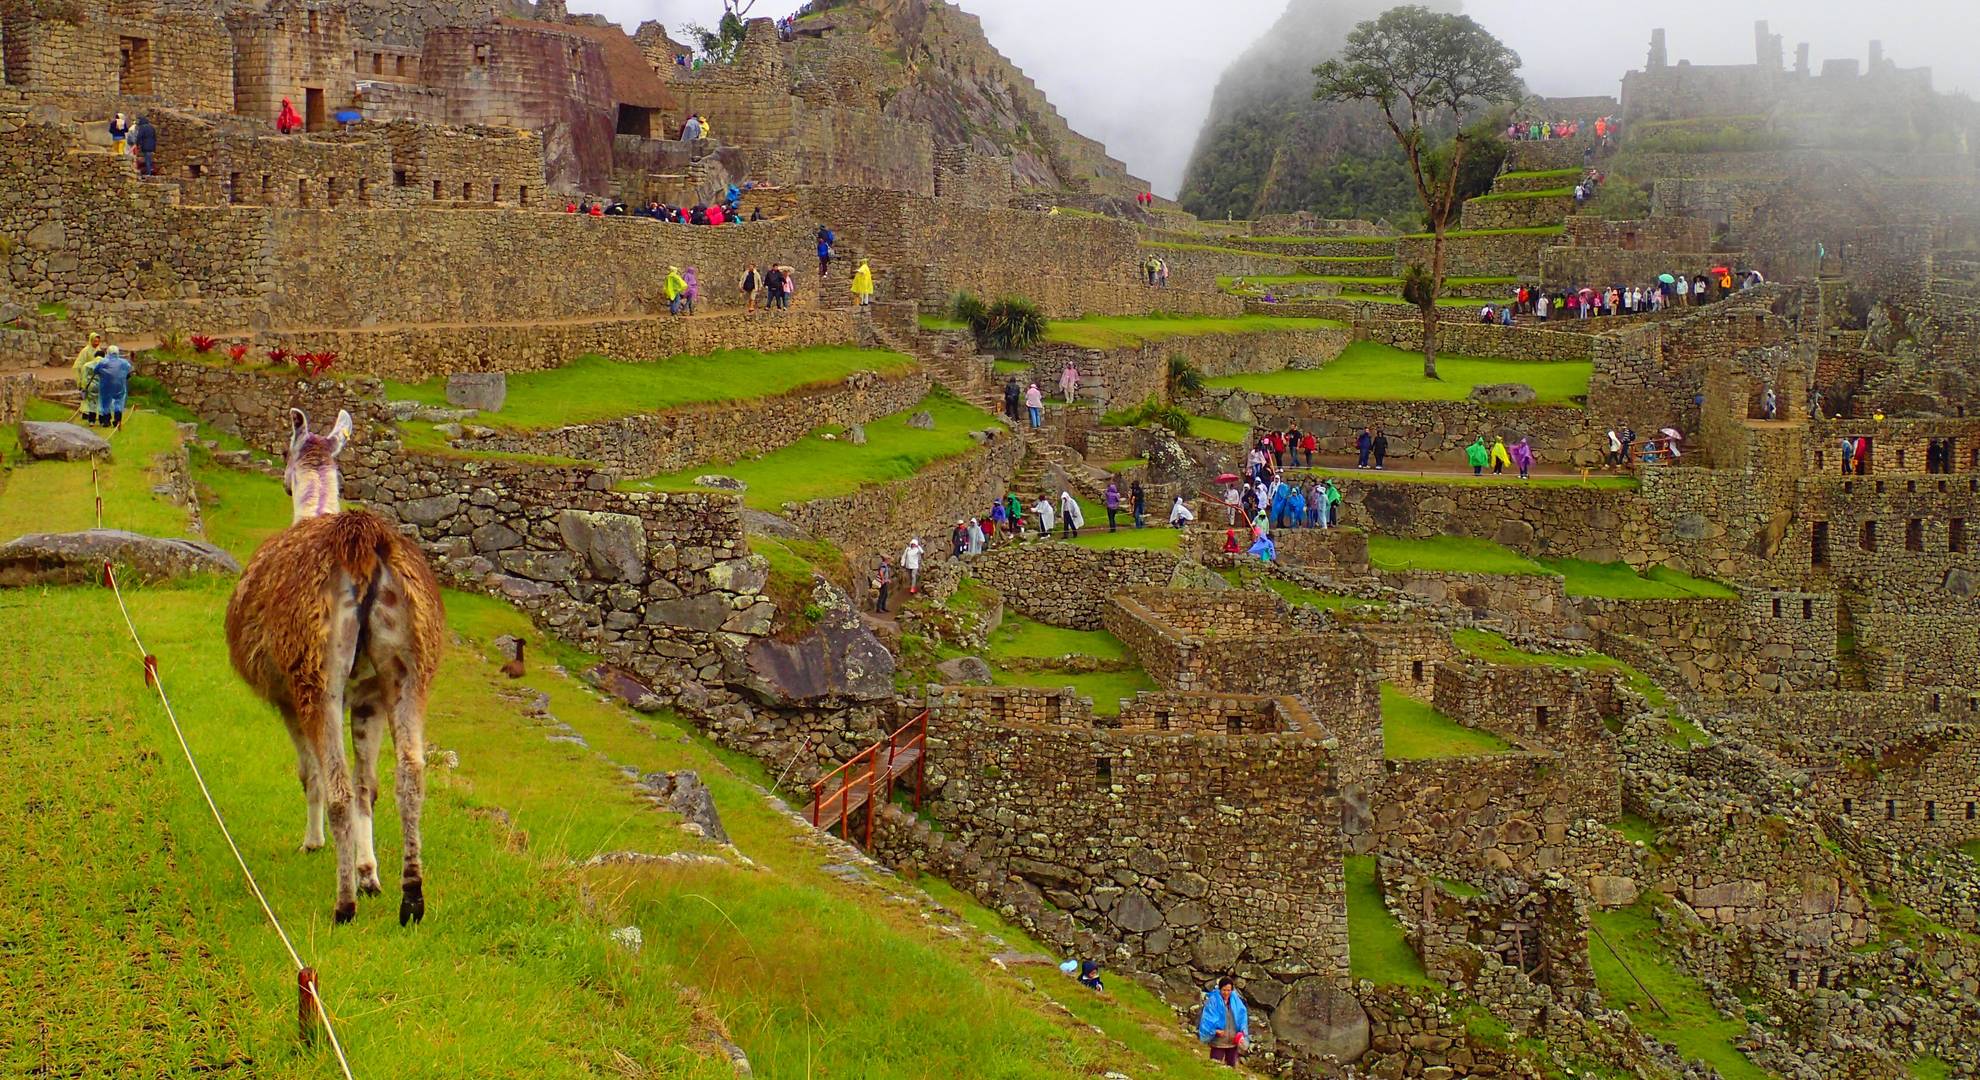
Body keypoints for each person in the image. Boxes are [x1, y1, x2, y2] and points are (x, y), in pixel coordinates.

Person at [94, 346, 132, 429]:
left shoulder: (103, 362)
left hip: (106, 385)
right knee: (119, 400)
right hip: (120, 385)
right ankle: (117, 420)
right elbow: (129, 370)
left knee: (105, 402)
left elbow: (95, 370)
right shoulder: (124, 362)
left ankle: (106, 421)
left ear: (108, 352)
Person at [73, 332, 106, 424]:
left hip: (97, 377)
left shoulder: (99, 351)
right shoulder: (85, 351)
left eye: (98, 341)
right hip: (88, 374)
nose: (96, 343)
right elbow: (79, 364)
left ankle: (95, 417)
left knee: (95, 399)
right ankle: (87, 414)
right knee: (89, 398)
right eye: (94, 341)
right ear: (91, 340)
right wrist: (81, 377)